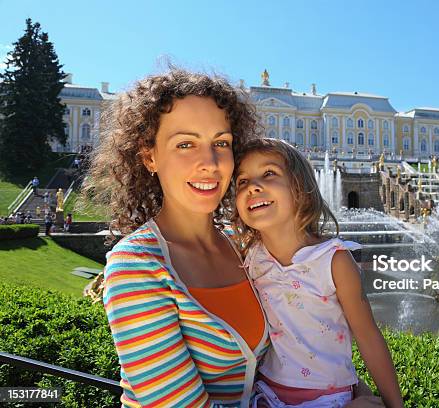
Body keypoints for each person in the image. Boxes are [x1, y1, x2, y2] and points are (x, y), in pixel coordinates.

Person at [87, 70, 381, 408]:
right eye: (185, 144)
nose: (210, 163)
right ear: (149, 156)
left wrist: (348, 390)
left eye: (221, 143)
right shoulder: (136, 266)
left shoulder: (243, 245)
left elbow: (302, 339)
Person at [233, 139, 403, 408]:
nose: (252, 186)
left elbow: (368, 336)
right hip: (267, 395)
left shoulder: (333, 261)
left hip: (329, 398)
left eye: (268, 174)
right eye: (242, 181)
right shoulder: (250, 256)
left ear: (301, 190)